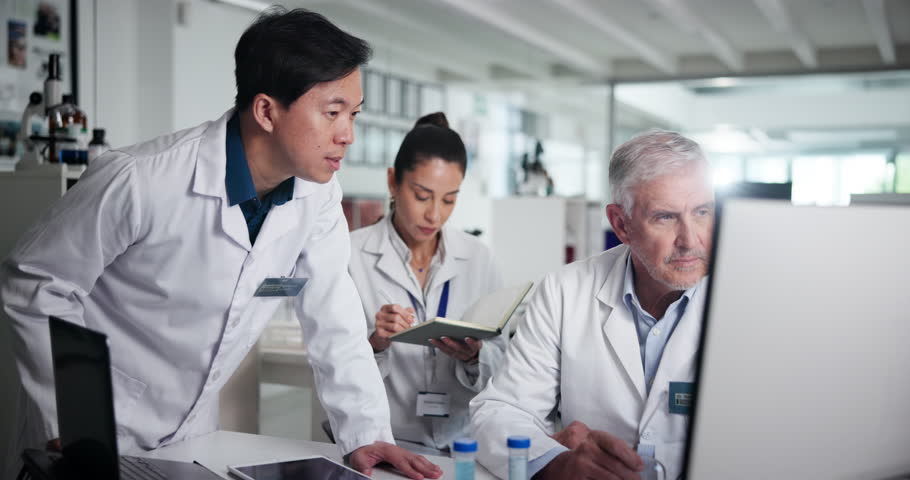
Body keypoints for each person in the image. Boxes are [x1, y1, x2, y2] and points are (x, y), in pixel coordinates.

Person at [0, 8, 441, 480]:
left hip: (191, 438)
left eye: (353, 114)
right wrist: (72, 417)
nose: (347, 135)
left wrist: (367, 434)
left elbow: (335, 320)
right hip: (91, 434)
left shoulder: (318, 196)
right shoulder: (141, 179)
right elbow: (34, 282)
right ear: (266, 110)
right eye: (333, 113)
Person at [470, 130, 715, 480]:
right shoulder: (565, 292)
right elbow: (500, 410)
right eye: (665, 217)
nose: (690, 240)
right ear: (621, 224)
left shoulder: (749, 302)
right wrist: (555, 462)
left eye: (702, 212)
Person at [347, 113, 506, 455]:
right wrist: (376, 342)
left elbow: (505, 361)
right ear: (393, 182)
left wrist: (476, 357)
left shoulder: (478, 258)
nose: (435, 214)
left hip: (462, 445)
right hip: (384, 442)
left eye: (449, 199)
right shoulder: (350, 255)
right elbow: (333, 365)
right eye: (422, 196)